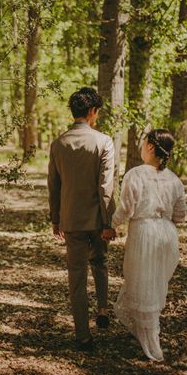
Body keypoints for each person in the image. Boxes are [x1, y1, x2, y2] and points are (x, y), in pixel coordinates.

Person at [48, 87, 116, 352]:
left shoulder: (59, 144)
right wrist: (108, 221)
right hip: (98, 219)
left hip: (71, 220)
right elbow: (105, 186)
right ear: (92, 112)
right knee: (99, 262)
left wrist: (56, 219)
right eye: (97, 112)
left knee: (76, 275)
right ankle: (102, 306)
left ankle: (82, 335)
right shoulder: (103, 142)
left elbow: (53, 186)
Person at [110, 129, 187, 361]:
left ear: (151, 147)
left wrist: (110, 225)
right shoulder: (174, 178)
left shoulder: (136, 174)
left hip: (145, 232)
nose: (142, 148)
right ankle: (146, 332)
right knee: (154, 283)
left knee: (142, 282)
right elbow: (181, 214)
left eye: (144, 144)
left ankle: (150, 341)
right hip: (166, 233)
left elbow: (126, 208)